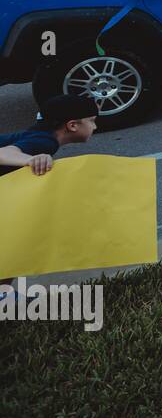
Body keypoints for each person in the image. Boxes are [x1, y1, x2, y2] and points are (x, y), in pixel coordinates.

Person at [0, 94, 99, 300]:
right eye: (92, 121)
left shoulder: (38, 135)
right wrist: (31, 159)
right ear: (72, 125)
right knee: (15, 240)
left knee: (13, 239)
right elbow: (5, 153)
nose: (95, 127)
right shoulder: (45, 142)